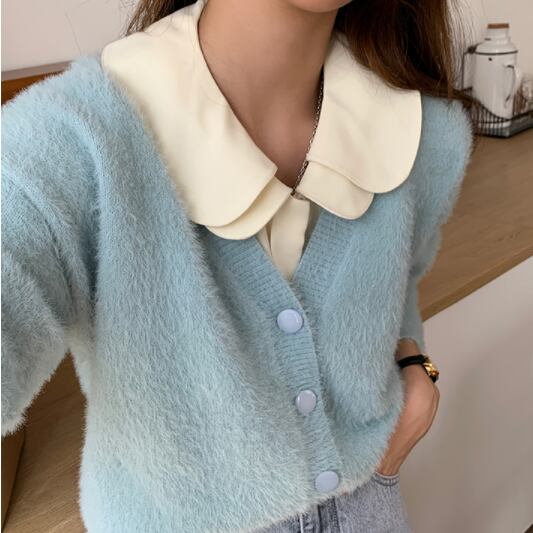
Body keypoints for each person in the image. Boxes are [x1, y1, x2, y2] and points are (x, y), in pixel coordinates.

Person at [1, 0, 476, 531]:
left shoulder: (424, 135)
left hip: (371, 509)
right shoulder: (69, 145)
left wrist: (414, 382)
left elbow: (396, 295)